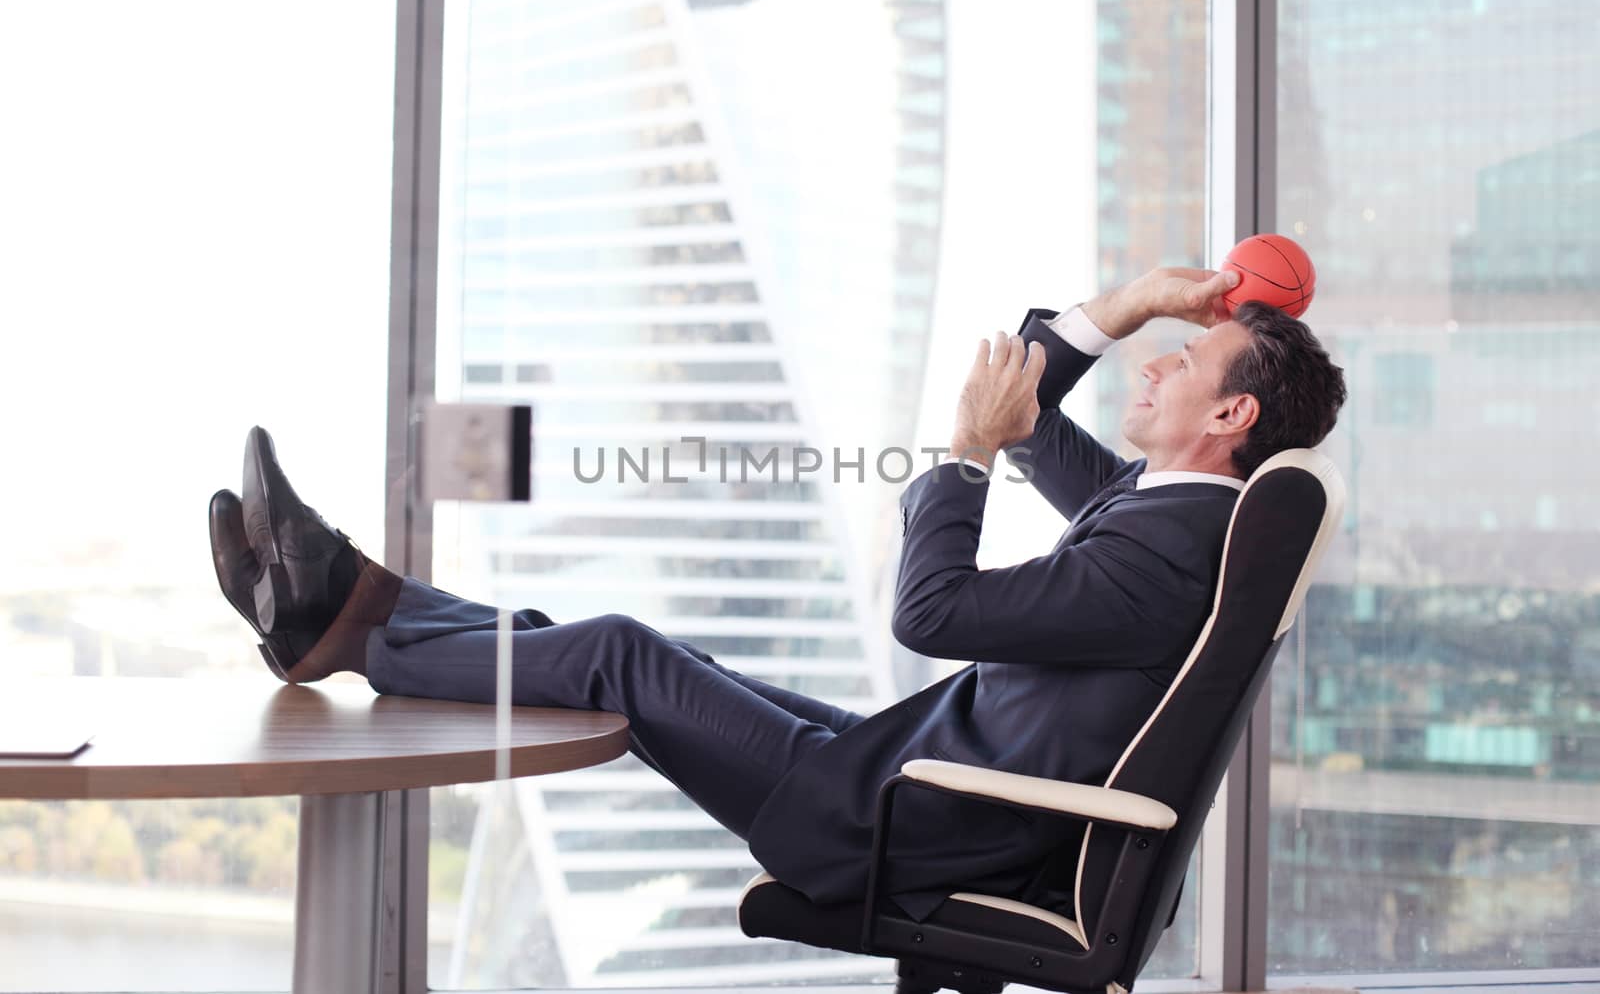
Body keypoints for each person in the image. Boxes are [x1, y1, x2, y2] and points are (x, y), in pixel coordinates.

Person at [207, 268, 1346, 925]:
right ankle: (355, 595)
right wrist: (1133, 299)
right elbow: (1037, 414)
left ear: (1231, 416)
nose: (1155, 363)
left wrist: (962, 451)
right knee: (613, 647)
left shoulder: (1156, 555)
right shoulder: (1177, 514)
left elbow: (930, 611)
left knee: (618, 650)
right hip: (911, 771)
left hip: (903, 825)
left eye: (1182, 360)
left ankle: (337, 628)